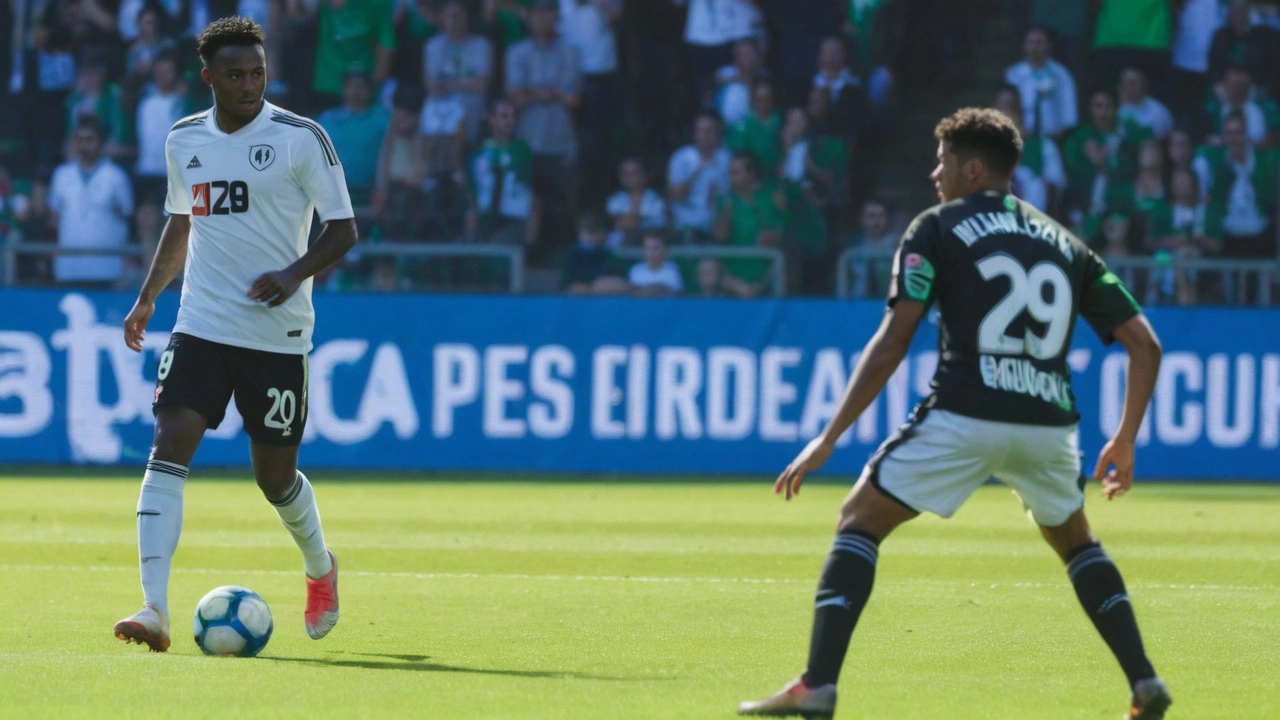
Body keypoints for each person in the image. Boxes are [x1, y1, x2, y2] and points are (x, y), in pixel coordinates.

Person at [738, 107, 1171, 720]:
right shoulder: (1067, 243)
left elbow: (894, 340)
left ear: (971, 169)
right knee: (1077, 543)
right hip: (1049, 424)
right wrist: (1125, 439)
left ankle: (818, 686)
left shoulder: (936, 227)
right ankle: (1144, 681)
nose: (932, 172)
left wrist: (829, 436)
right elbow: (1146, 346)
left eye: (941, 161)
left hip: (966, 412)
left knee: (859, 520)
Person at [113, 17, 357, 654]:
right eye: (235, 75)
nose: (249, 85)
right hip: (202, 324)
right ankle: (153, 608)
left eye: (257, 73)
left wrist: (292, 273)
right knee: (169, 442)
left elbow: (343, 230)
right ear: (209, 78)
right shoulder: (184, 140)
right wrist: (147, 299)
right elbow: (180, 220)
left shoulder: (302, 139)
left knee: (274, 478)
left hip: (278, 333)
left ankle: (319, 567)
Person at [49, 117, 135, 285]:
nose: (84, 146)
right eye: (79, 140)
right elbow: (54, 217)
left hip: (107, 268)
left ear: (101, 143)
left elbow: (127, 214)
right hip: (69, 268)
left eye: (90, 140)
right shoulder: (61, 175)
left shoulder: (116, 176)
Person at [1004, 26, 1078, 139]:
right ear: (1024, 46)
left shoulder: (1061, 74)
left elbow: (1068, 107)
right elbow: (1007, 106)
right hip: (1021, 135)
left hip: (1054, 136)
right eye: (1030, 42)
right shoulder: (1014, 74)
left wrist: (1062, 131)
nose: (1034, 47)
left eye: (1039, 43)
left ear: (1049, 46)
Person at [627, 231, 684, 295]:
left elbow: (676, 294)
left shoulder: (672, 270)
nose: (651, 253)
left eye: (655, 248)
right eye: (648, 248)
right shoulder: (636, 271)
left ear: (664, 250)